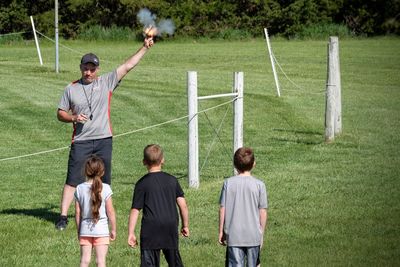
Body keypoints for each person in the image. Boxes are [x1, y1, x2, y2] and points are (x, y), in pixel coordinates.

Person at [55, 37, 154, 230]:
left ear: (97, 69)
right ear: (80, 67)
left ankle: (101, 214)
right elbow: (60, 113)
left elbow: (127, 66)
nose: (88, 72)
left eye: (92, 69)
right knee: (73, 179)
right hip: (81, 141)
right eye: (85, 68)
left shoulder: (106, 82)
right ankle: (63, 217)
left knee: (103, 180)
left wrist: (144, 47)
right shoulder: (71, 88)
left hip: (103, 139)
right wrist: (73, 118)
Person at [128, 144, 189, 267]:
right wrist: (185, 225)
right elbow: (183, 205)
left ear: (144, 162)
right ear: (163, 160)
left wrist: (131, 232)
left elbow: (135, 210)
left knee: (148, 263)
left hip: (150, 228)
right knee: (174, 260)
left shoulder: (142, 183)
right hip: (170, 226)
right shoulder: (172, 180)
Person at [218, 147, 268, 267]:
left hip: (234, 234)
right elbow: (263, 211)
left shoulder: (228, 183)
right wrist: (261, 233)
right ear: (254, 164)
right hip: (253, 235)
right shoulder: (259, 185)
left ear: (235, 165)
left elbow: (223, 208)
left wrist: (221, 231)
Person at [74, 155, 116, 267]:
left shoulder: (79, 188)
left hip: (85, 229)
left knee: (84, 261)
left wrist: (79, 230)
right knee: (101, 262)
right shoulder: (106, 188)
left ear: (86, 171)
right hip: (102, 229)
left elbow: (78, 213)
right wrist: (113, 229)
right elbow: (110, 211)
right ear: (102, 172)